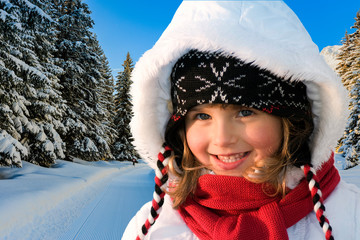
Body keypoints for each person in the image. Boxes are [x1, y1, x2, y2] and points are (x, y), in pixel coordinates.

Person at [122, 1, 360, 239]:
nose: (222, 139)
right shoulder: (154, 228)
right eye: (203, 116)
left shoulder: (350, 215)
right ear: (180, 129)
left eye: (245, 112)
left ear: (291, 120)